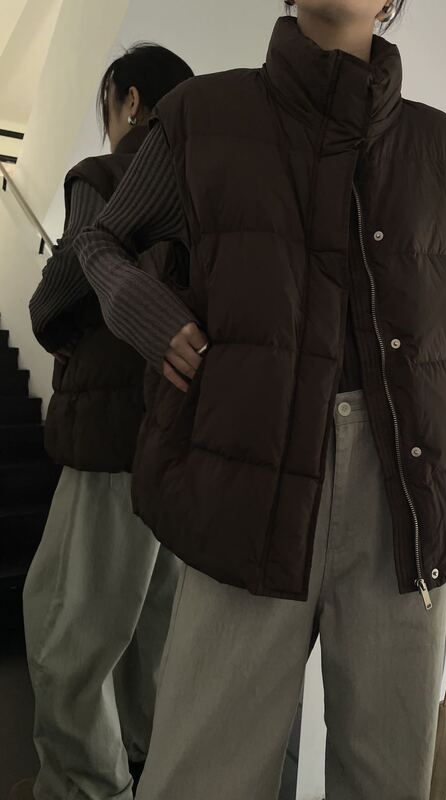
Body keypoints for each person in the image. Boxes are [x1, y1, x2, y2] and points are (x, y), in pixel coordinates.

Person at [75, 3, 446, 798]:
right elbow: (100, 239)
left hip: (407, 495)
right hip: (246, 474)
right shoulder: (202, 118)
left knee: (387, 780)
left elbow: (415, 335)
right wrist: (144, 311)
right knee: (201, 777)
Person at [10, 44, 193, 800]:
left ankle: (84, 787)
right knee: (153, 633)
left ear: (130, 100)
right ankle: (143, 772)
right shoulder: (207, 188)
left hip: (112, 431)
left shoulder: (104, 176)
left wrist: (51, 323)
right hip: (182, 437)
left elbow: (62, 286)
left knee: (66, 627)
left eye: (108, 103)